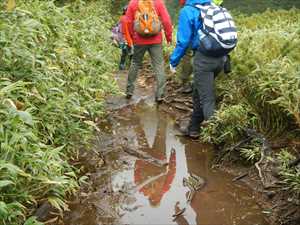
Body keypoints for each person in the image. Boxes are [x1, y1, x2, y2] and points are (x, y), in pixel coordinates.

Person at [169, 0, 227, 139]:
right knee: (198, 91)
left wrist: (174, 61)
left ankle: (217, 136)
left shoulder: (188, 10)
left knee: (207, 98)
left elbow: (183, 41)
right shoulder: (213, 6)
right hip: (221, 57)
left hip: (203, 58)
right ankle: (194, 128)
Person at [124, 0, 173, 102]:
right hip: (156, 40)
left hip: (139, 39)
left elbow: (127, 21)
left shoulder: (133, 2)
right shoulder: (158, 2)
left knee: (135, 63)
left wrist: (132, 38)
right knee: (158, 65)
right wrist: (168, 36)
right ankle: (160, 94)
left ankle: (129, 91)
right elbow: (166, 20)